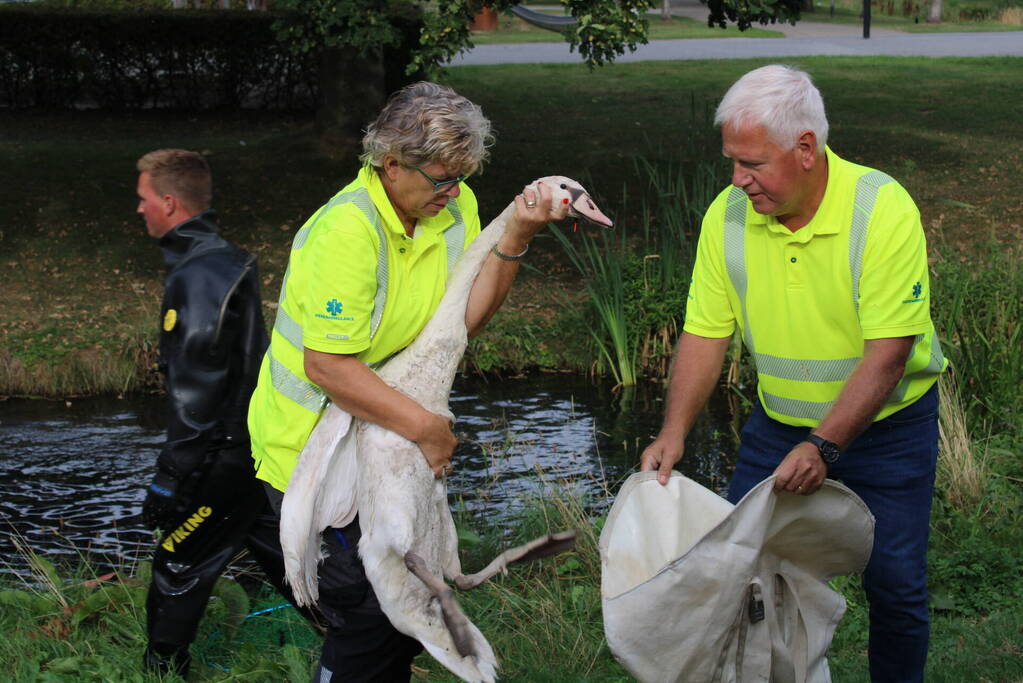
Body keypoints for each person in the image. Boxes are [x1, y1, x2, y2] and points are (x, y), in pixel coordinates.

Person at [246, 81, 569, 682]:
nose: (452, 194)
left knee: (406, 611)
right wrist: (428, 430)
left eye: (462, 179)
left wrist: (516, 237)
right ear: (390, 163)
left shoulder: (454, 206)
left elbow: (463, 319)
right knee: (374, 610)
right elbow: (328, 367)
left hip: (384, 441)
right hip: (311, 452)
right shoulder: (347, 232)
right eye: (441, 178)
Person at [640, 65, 946, 682]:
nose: (737, 179)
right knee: (739, 578)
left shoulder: (880, 207)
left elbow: (889, 351)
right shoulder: (727, 217)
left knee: (895, 584)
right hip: (778, 431)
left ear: (805, 149)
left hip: (889, 429)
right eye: (731, 160)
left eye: (752, 162)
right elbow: (705, 332)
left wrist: (825, 445)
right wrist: (673, 430)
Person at [136, 149, 315, 676]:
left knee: (178, 561)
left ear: (169, 202)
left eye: (143, 198)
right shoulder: (222, 260)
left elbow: (198, 393)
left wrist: (171, 479)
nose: (138, 209)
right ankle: (366, 641)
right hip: (250, 447)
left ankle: (161, 670)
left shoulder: (197, 276)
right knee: (286, 562)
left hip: (222, 456)